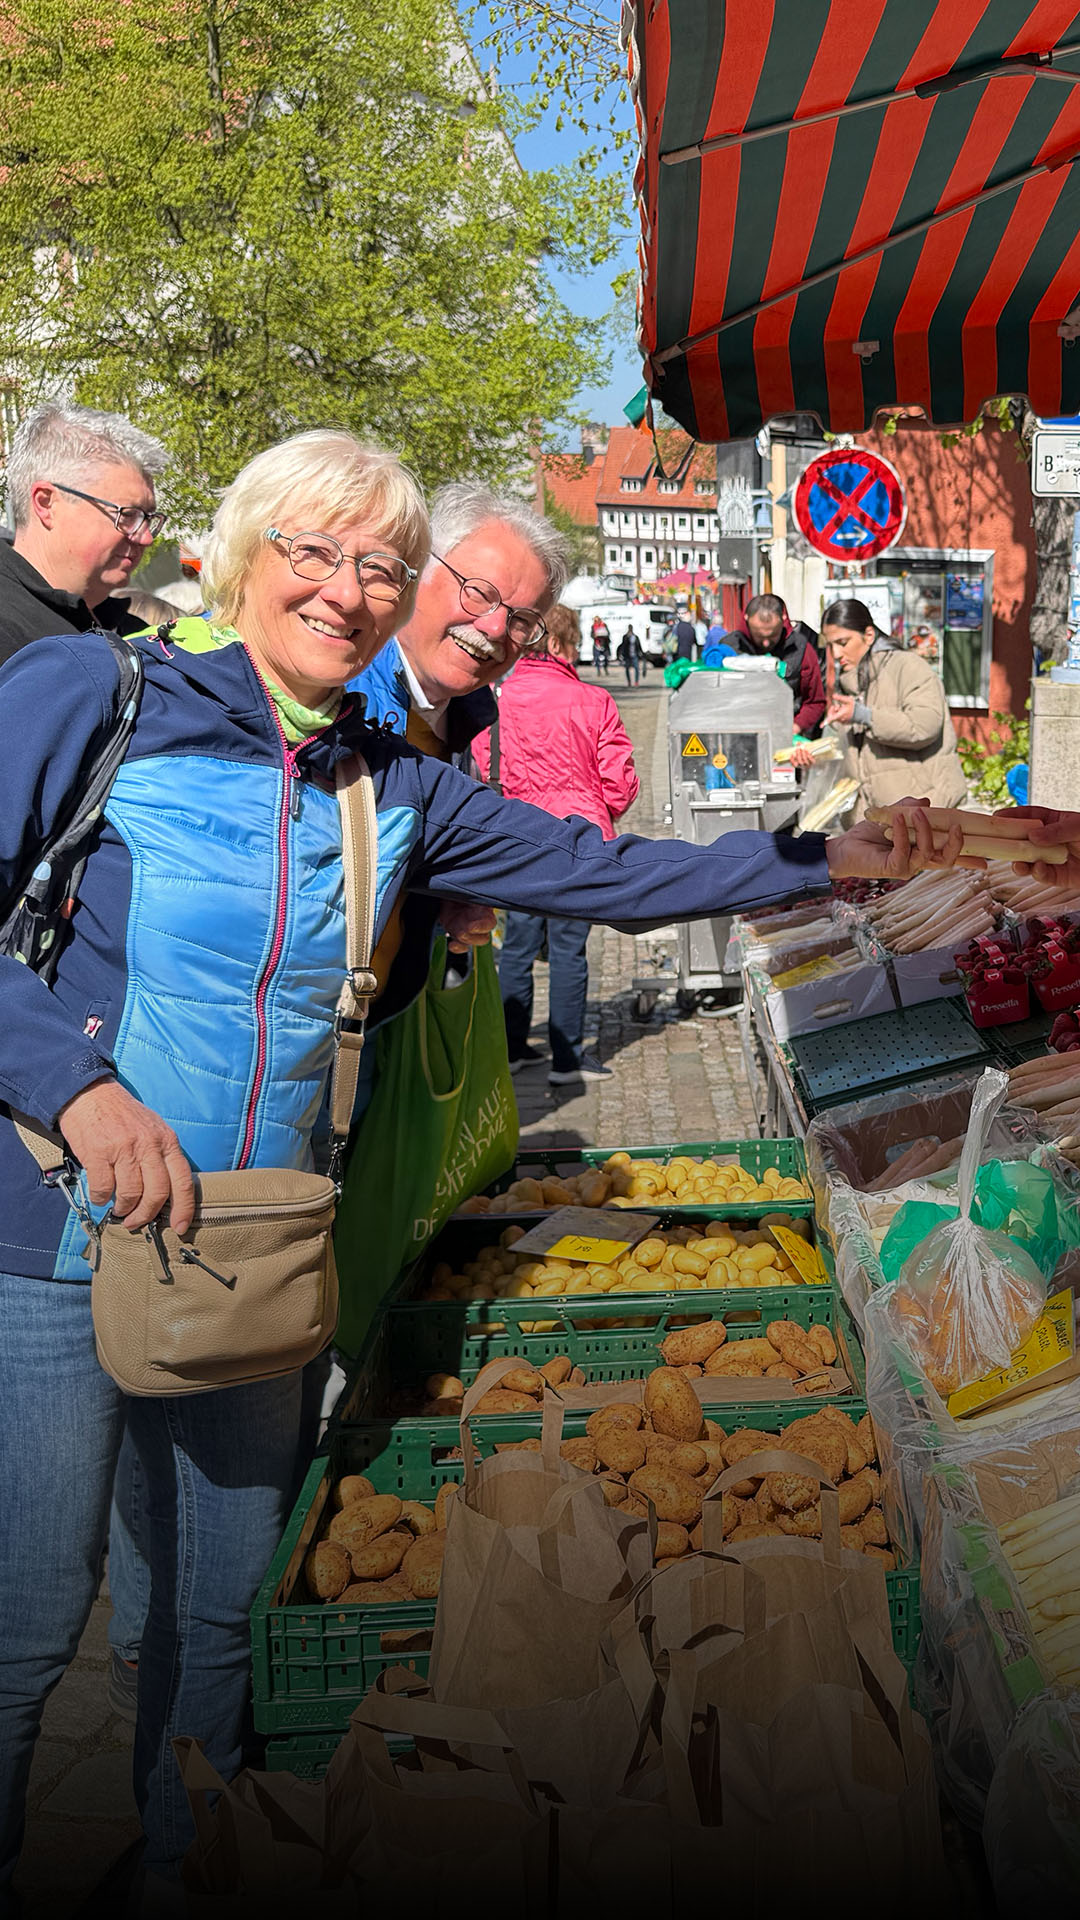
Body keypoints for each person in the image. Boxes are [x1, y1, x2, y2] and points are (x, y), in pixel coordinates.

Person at [0, 424, 979, 1898]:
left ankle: (180, 1868)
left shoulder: (397, 781)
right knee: (27, 1626)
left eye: (376, 567)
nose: (344, 590)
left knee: (212, 1617)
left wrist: (827, 858)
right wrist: (74, 1088)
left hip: (255, 1241)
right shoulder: (98, 694)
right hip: (56, 1237)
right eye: (315, 554)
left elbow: (612, 876)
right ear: (243, 553)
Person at [472, 605, 639, 1082]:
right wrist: (604, 810)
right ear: (563, 644)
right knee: (568, 946)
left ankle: (511, 1048)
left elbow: (481, 769)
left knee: (518, 945)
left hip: (515, 837)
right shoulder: (593, 699)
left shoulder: (492, 698)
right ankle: (566, 1059)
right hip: (577, 839)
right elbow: (618, 783)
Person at [0, 399, 168, 665]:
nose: (145, 537)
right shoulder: (10, 636)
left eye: (148, 519)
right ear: (47, 503)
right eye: (127, 515)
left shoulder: (135, 634)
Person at [809, 596, 968, 818]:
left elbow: (923, 727)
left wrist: (863, 715)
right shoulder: (848, 683)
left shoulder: (908, 667)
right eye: (830, 644)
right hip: (878, 821)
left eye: (843, 643)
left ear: (869, 635)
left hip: (925, 813)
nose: (835, 655)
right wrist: (814, 756)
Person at [732, 592, 826, 738]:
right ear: (746, 620)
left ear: (783, 621)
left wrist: (797, 726)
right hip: (738, 736)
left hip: (787, 735)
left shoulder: (801, 649)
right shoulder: (729, 648)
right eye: (759, 635)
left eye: (772, 635)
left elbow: (815, 700)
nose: (765, 643)